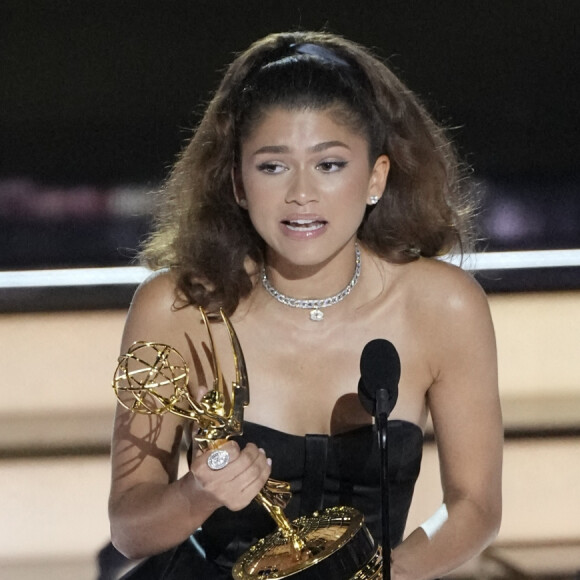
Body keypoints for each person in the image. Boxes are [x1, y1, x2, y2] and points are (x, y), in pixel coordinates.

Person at [108, 30, 503, 580]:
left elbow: (474, 506)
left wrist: (389, 572)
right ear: (239, 184)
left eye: (329, 164)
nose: (301, 194)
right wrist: (198, 493)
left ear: (376, 177)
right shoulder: (178, 309)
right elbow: (129, 528)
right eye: (272, 166)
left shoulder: (444, 307)